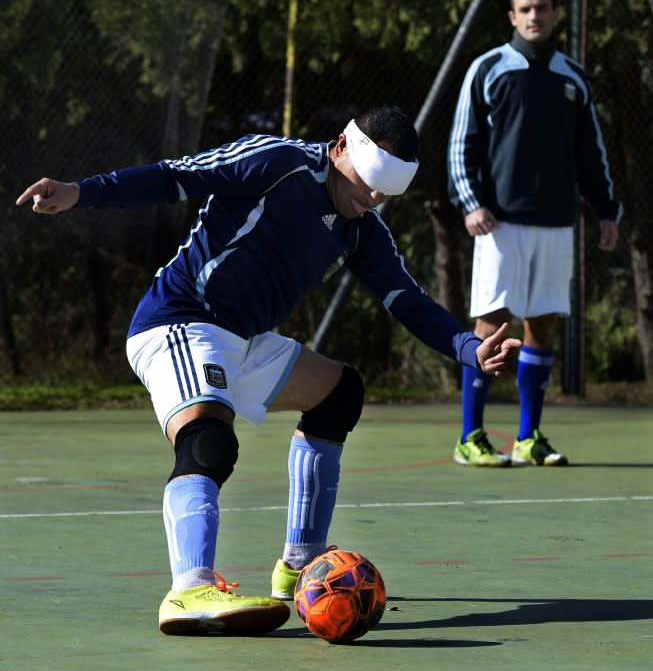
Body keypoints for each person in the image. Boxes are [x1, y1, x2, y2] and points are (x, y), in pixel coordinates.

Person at [17, 106, 521, 635]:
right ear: (341, 148)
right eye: (371, 182)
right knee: (209, 441)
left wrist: (470, 347)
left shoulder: (360, 230)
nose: (374, 198)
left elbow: (405, 298)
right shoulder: (277, 162)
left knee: (339, 393)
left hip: (245, 340)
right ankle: (188, 590)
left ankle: (302, 566)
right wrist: (81, 192)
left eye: (388, 192)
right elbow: (175, 176)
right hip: (181, 321)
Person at [447, 0, 622, 468]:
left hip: (556, 222)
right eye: (525, 9)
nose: (534, 17)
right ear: (512, 16)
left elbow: (592, 153)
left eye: (542, 8)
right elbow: (463, 143)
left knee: (541, 324)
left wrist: (606, 210)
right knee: (490, 325)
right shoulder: (488, 69)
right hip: (498, 223)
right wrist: (470, 202)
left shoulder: (573, 77)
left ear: (555, 12)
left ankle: (528, 438)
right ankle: (470, 436)